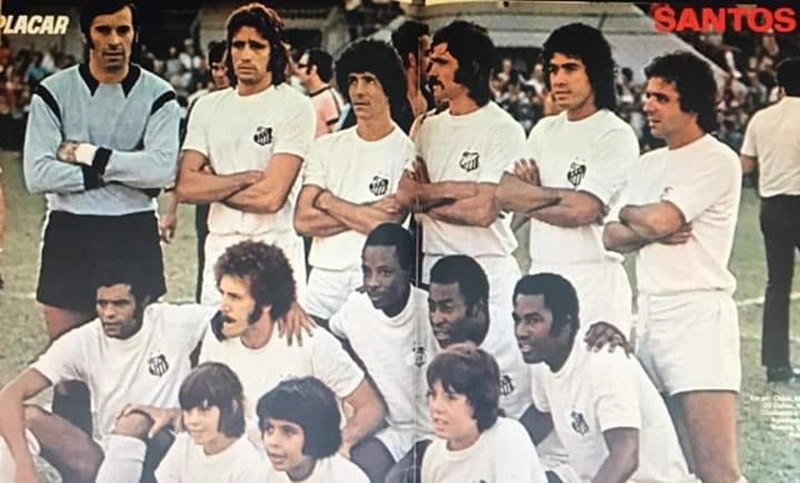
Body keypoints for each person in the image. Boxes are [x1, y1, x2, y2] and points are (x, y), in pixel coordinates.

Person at [22, 0, 180, 433]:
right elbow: (37, 174)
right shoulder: (54, 92)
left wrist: (86, 156)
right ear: (87, 34)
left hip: (132, 231)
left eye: (123, 31)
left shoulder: (159, 94)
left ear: (134, 33)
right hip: (71, 232)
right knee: (69, 366)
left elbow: (162, 171)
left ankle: (136, 466)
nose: (115, 41)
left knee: (137, 360)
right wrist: (121, 172)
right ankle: (78, 470)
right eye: (104, 30)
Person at [603, 52, 745, 483]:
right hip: (649, 319)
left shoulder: (716, 159)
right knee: (668, 467)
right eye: (648, 95)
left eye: (661, 98)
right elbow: (610, 235)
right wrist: (637, 214)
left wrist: (641, 220)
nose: (648, 105)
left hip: (698, 320)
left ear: (694, 106)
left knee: (715, 468)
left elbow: (663, 220)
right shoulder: (648, 163)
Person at [0, 263, 215, 483]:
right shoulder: (84, 340)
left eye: (120, 304)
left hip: (168, 450)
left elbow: (233, 315)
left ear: (144, 302)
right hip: (113, 457)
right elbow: (9, 395)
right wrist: (23, 465)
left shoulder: (175, 322)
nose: (109, 313)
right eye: (102, 304)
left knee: (135, 420)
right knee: (26, 417)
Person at [496, 23, 639, 338]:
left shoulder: (614, 134)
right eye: (553, 69)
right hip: (541, 275)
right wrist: (556, 198)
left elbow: (582, 211)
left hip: (593, 281)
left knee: (596, 382)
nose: (558, 79)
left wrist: (531, 194)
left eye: (571, 68)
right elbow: (505, 193)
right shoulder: (544, 130)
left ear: (596, 73)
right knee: (544, 384)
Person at [394, 21, 525, 353]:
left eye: (442, 63)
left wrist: (426, 195)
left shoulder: (503, 129)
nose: (431, 71)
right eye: (431, 61)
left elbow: (483, 211)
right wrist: (465, 189)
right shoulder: (425, 127)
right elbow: (405, 195)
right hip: (433, 272)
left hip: (487, 269)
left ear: (472, 68)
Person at [176, 3, 315, 305]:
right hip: (221, 247)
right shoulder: (207, 107)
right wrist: (243, 179)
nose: (246, 54)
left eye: (257, 46)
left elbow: (270, 198)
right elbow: (185, 186)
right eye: (238, 45)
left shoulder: (295, 106)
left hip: (273, 248)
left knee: (279, 349)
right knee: (219, 347)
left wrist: (212, 185)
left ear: (274, 52)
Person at [196, 240, 385, 460]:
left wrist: (340, 445)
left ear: (266, 302)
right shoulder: (217, 338)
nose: (223, 306)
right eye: (223, 294)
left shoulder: (310, 342)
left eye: (235, 297)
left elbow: (371, 406)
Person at [513, 273, 694, 482]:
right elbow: (540, 417)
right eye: (517, 320)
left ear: (566, 323)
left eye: (533, 320)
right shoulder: (543, 361)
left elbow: (626, 455)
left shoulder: (603, 360)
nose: (521, 331)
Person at [294, 39, 412, 320]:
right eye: (353, 80)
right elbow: (302, 221)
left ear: (388, 86)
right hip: (323, 283)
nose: (359, 91)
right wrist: (366, 211)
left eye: (369, 80)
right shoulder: (325, 148)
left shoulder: (408, 151)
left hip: (374, 283)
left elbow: (386, 227)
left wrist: (327, 200)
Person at [325, 223, 437, 481]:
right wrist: (359, 370)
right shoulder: (357, 307)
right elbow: (332, 333)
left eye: (385, 272)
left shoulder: (430, 312)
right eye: (367, 271)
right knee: (349, 474)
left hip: (434, 435)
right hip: (394, 430)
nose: (373, 282)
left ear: (408, 271)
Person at [740, 57, 800, 383]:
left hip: (772, 206)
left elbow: (745, 164)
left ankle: (776, 365)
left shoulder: (761, 119)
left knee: (777, 285)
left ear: (780, 84)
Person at [163, 39, 233, 303]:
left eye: (225, 68)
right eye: (215, 68)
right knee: (209, 263)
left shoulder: (257, 105)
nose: (220, 74)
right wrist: (171, 212)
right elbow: (185, 162)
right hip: (207, 199)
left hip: (245, 199)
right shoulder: (200, 106)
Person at [421, 343, 548, 483]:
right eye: (432, 395)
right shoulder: (433, 456)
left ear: (478, 401)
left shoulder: (508, 437)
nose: (436, 407)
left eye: (450, 397)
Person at [154, 362, 262, 482]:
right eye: (188, 410)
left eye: (204, 410)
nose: (193, 421)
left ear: (231, 407)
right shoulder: (184, 444)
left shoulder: (247, 463)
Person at [257, 377, 369, 483]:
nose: (273, 442)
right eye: (269, 429)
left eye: (288, 432)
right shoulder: (262, 475)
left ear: (315, 436)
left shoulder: (349, 479)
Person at [391, 20, 435, 120]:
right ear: (412, 60)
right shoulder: (392, 102)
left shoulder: (431, 99)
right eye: (427, 54)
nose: (432, 60)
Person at [296, 48, 344, 138]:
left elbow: (337, 133)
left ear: (313, 69)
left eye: (301, 66)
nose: (298, 71)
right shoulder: (309, 98)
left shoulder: (328, 97)